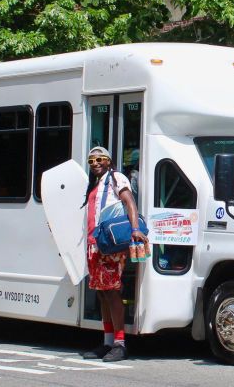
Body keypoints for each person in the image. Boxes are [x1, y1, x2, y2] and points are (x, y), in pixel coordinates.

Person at [80, 146, 148, 362]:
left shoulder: (116, 178)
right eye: (91, 161)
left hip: (109, 244)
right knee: (102, 293)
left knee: (111, 292)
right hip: (95, 244)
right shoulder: (95, 183)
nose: (95, 163)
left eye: (100, 159)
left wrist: (135, 228)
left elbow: (129, 202)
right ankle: (108, 342)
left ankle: (120, 344)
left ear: (108, 161)